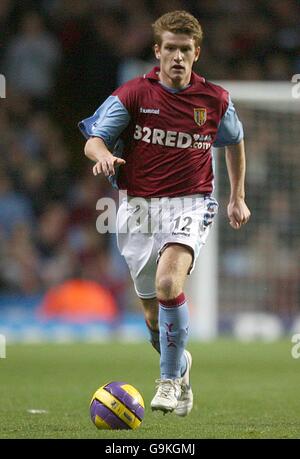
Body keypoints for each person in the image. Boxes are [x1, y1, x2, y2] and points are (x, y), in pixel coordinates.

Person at [78, 10, 251, 416]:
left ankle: (169, 382)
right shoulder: (134, 94)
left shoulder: (215, 100)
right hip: (138, 207)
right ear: (157, 51)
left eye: (185, 50)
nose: (177, 57)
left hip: (191, 202)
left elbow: (235, 142)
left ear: (196, 53)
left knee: (169, 283)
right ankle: (181, 363)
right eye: (170, 48)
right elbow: (94, 139)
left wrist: (237, 196)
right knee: (153, 316)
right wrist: (102, 155)